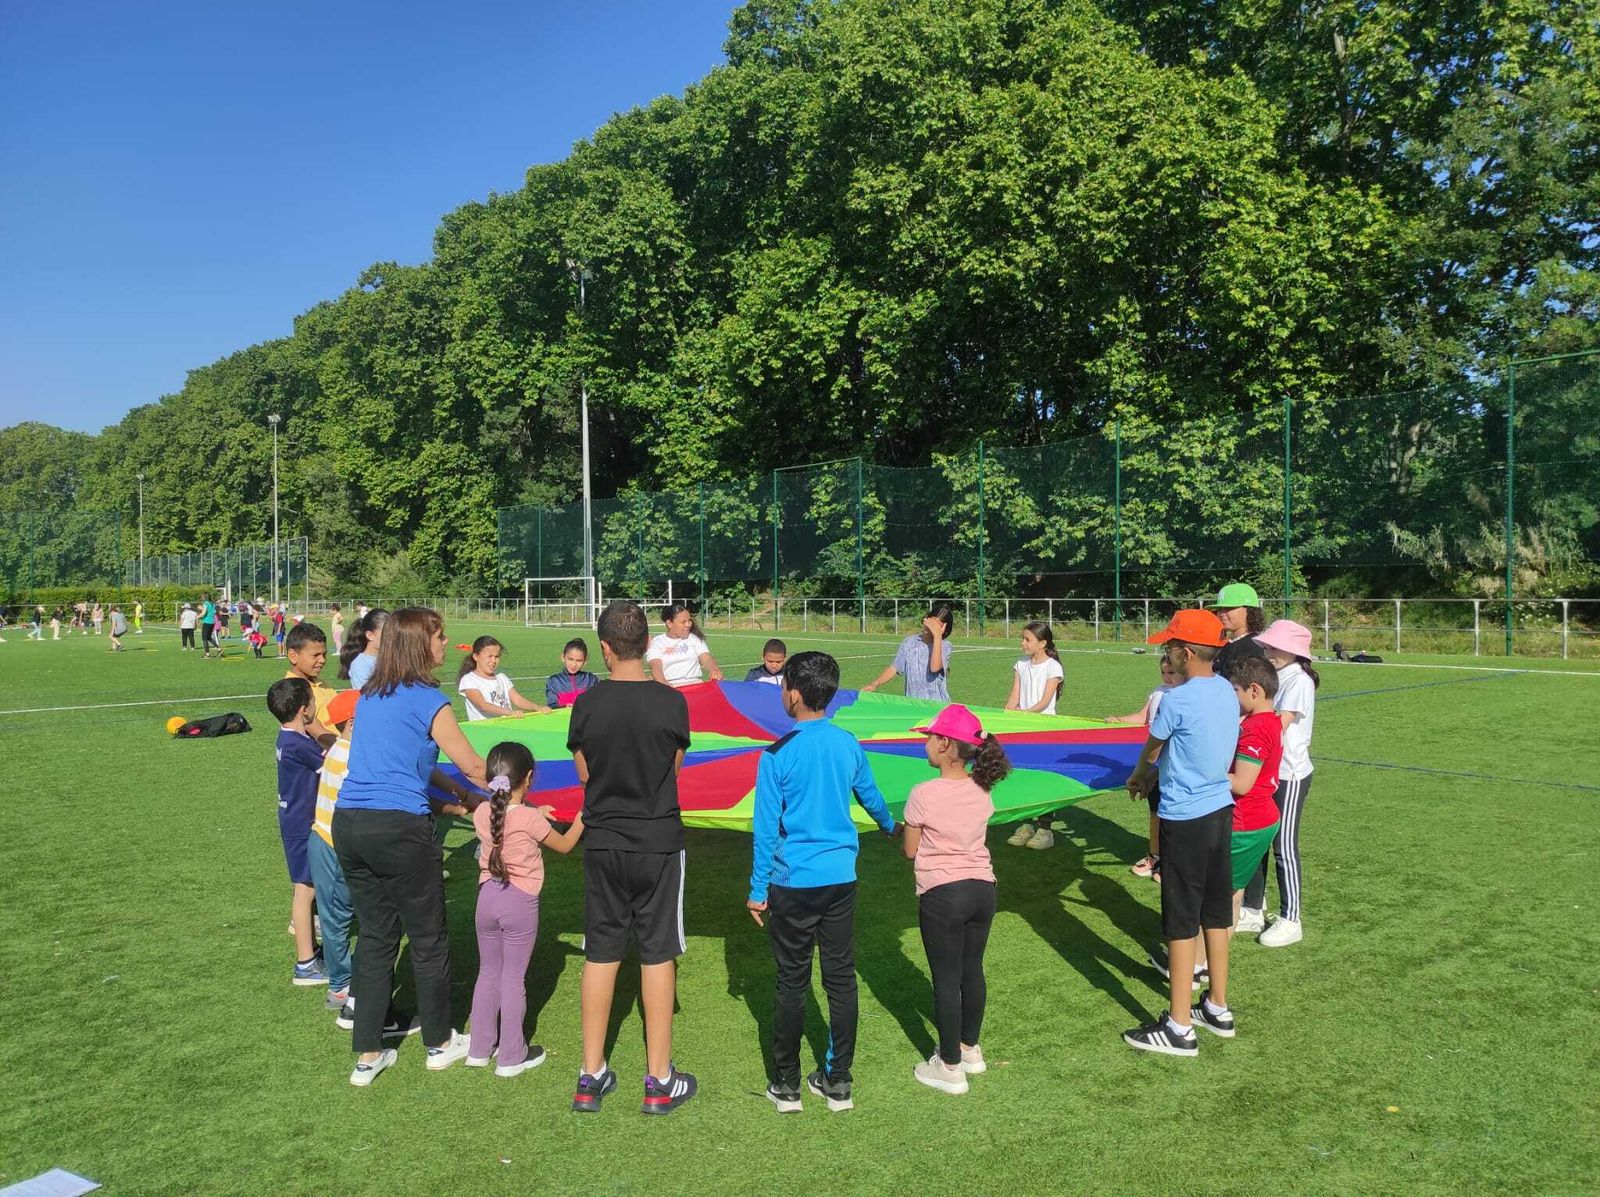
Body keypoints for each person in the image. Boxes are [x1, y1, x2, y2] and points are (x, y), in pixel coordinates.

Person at [333, 607, 488, 1087]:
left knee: (376, 936)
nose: (445, 645)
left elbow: (414, 759)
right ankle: (440, 1043)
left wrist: (458, 792)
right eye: (440, 638)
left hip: (351, 825)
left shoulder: (371, 696)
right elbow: (474, 765)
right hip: (399, 829)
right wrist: (515, 789)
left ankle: (368, 1053)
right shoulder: (429, 699)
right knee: (427, 937)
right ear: (421, 645)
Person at [747, 651, 898, 1114]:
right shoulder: (847, 743)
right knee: (840, 978)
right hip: (840, 879)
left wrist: (757, 890)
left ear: (792, 694)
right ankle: (838, 1081)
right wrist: (890, 826)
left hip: (793, 883)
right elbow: (870, 795)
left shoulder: (776, 755)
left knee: (792, 982)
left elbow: (765, 830)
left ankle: (787, 1085)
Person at [567, 601, 696, 1114]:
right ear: (647, 643)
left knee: (601, 951)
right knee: (657, 951)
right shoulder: (672, 703)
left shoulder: (586, 704)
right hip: (657, 840)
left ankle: (590, 1073)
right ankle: (659, 1080)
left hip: (603, 839)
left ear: (604, 648)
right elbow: (673, 767)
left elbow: (584, 773)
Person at [1122, 609, 1238, 1057]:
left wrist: (1140, 775)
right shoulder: (1226, 691)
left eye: (1171, 647)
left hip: (1184, 819)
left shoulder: (1176, 700)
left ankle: (1178, 1027)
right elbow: (1191, 749)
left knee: (1181, 919)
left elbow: (1154, 747)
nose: (1167, 654)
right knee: (1215, 913)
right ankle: (1218, 1007)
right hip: (1220, 813)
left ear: (1187, 653)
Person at [902, 704, 1010, 1095]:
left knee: (946, 980)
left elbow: (910, 851)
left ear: (945, 744)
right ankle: (969, 1048)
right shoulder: (982, 789)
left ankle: (949, 1066)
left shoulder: (923, 793)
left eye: (930, 737)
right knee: (971, 970)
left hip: (943, 894)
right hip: (983, 890)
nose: (926, 743)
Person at [467, 741, 585, 1078]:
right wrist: (583, 818)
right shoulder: (530, 820)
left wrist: (534, 811)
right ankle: (511, 1056)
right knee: (513, 977)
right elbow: (565, 845)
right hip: (518, 902)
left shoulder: (482, 812)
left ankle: (479, 1049)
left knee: (488, 972)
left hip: (486, 898)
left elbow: (508, 814)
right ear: (529, 778)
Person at [1238, 620, 1319, 945]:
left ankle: (1291, 918)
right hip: (1267, 772)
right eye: (1267, 646)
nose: (1268, 651)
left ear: (1294, 651)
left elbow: (1276, 724)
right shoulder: (1277, 675)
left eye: (1274, 647)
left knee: (1283, 846)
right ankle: (1252, 908)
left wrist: (1243, 729)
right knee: (1257, 841)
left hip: (1290, 774)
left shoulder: (1299, 680)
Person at [267, 677, 328, 988]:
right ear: (305, 710)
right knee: (305, 891)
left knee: (306, 889)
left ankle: (311, 955)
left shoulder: (287, 739)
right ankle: (305, 964)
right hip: (302, 825)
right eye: (314, 702)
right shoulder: (299, 745)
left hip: (295, 821)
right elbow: (331, 766)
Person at [1104, 654, 1181, 878]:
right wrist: (1120, 719)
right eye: (1163, 672)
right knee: (1155, 810)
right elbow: (1142, 717)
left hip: (1173, 763)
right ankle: (1154, 856)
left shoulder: (1183, 696)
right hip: (1154, 760)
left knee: (1173, 814)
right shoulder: (1158, 692)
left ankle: (1172, 863)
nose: (1167, 677)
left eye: (1171, 672)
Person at [311, 689, 360, 1020]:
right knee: (338, 917)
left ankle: (341, 980)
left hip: (324, 839)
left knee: (335, 916)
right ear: (353, 723)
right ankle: (342, 983)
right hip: (334, 845)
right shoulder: (351, 757)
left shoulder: (338, 749)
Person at [1001, 621, 1065, 849]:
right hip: (1022, 730)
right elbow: (1014, 696)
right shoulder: (1020, 665)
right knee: (1022, 777)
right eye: (1023, 638)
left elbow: (1044, 702)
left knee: (1043, 780)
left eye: (1028, 639)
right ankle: (1025, 824)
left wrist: (1023, 714)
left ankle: (1045, 829)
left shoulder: (1053, 668)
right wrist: (1006, 715)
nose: (1023, 643)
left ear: (1043, 643)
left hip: (1044, 731)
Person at [862, 602, 953, 700]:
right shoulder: (909, 642)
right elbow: (894, 667)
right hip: (912, 702)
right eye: (931, 623)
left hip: (937, 704)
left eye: (936, 627)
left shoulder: (945, 646)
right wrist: (875, 683)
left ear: (943, 630)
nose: (931, 628)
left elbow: (935, 668)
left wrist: (937, 636)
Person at [457, 636, 550, 720]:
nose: (493, 661)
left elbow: (518, 699)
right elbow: (483, 705)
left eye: (497, 656)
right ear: (476, 657)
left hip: (506, 727)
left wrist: (538, 708)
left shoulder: (501, 677)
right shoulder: (469, 680)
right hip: (485, 730)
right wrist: (509, 712)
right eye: (489, 656)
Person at [646, 601, 723, 687]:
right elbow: (655, 667)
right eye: (683, 622)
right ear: (669, 623)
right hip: (669, 687)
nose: (688, 625)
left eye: (689, 621)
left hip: (695, 686)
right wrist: (664, 684)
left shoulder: (694, 638)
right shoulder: (657, 642)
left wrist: (714, 669)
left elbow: (706, 658)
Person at [284, 622, 337, 742]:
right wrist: (349, 748)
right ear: (293, 656)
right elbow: (320, 735)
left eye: (324, 654)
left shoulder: (321, 683)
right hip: (331, 751)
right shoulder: (292, 691)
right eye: (316, 655)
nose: (322, 660)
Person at [1212, 582, 1267, 681]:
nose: (1222, 613)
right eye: (1220, 609)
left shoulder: (1253, 647)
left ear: (1249, 611)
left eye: (1229, 608)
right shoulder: (1226, 644)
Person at [340, 607, 387, 690]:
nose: (393, 638)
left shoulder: (391, 658)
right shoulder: (360, 666)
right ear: (370, 635)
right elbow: (366, 695)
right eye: (386, 633)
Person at [545, 638, 598, 707]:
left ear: (585, 661)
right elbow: (552, 705)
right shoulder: (554, 681)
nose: (574, 664)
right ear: (563, 657)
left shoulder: (591, 679)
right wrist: (564, 707)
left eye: (579, 660)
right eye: (570, 659)